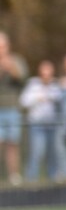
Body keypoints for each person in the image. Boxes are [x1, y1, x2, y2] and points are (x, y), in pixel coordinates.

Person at [20, 58, 60, 189]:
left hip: (51, 124)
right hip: (36, 124)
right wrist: (37, 98)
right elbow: (23, 101)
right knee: (37, 152)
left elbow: (60, 100)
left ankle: (52, 182)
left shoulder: (55, 85)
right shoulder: (33, 84)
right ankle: (31, 182)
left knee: (52, 153)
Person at [0, 34, 28, 185]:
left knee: (13, 144)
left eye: (2, 46)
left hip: (13, 109)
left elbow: (23, 79)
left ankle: (14, 175)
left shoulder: (16, 60)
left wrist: (10, 68)